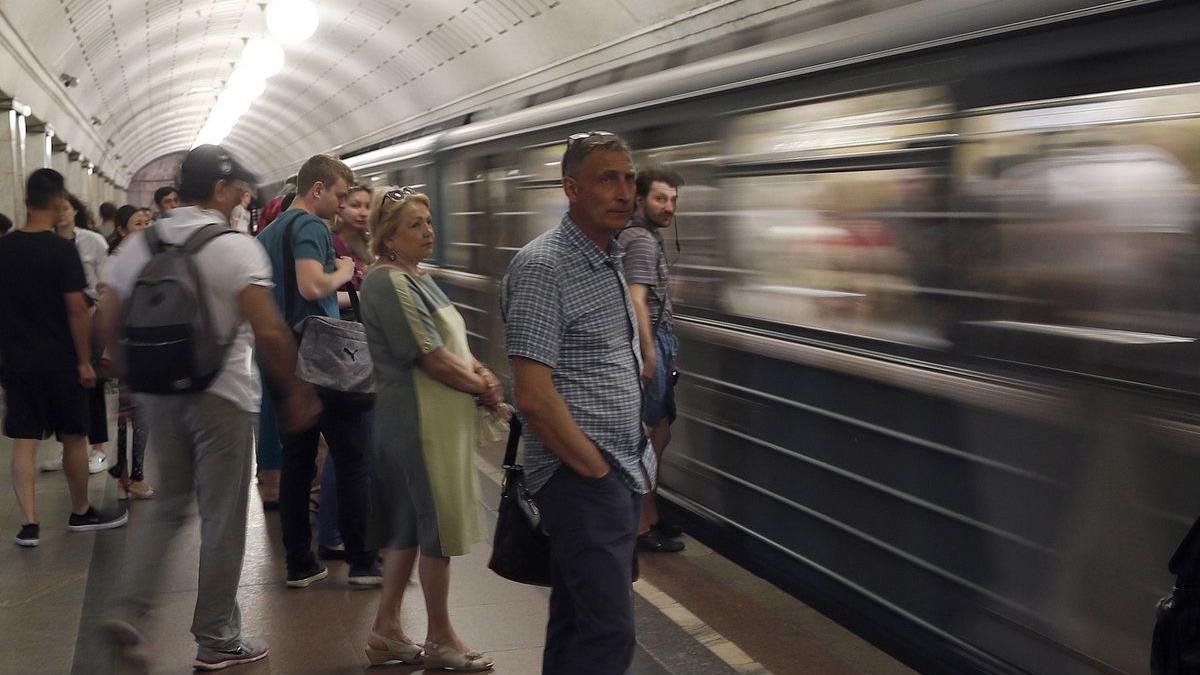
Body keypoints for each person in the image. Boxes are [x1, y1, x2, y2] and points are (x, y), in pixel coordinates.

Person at [97, 144, 322, 671]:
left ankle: (129, 610)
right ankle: (218, 635)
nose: (244, 195)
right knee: (222, 514)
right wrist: (294, 392)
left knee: (172, 502)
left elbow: (105, 318)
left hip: (159, 394)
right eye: (237, 187)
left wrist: (131, 382)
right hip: (222, 395)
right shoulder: (235, 248)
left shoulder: (141, 242)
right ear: (219, 190)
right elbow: (268, 329)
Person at [501, 131, 648, 674]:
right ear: (571, 188)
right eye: (607, 179)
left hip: (615, 472)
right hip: (580, 477)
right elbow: (533, 396)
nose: (623, 191)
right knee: (611, 632)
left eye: (628, 178)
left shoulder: (609, 259)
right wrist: (594, 469)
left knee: (576, 621)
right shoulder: (544, 267)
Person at [359, 186, 501, 671]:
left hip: (433, 422)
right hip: (418, 425)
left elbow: (452, 343)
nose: (428, 231)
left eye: (428, 221)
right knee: (435, 528)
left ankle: (386, 630)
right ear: (388, 237)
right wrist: (482, 388)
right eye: (415, 224)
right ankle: (440, 637)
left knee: (405, 529)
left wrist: (480, 370)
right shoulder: (388, 283)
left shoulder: (418, 277)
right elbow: (431, 358)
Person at [256, 154, 380, 588]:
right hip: (321, 356)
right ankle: (364, 560)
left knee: (297, 463)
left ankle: (299, 564)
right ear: (317, 190)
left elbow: (292, 294)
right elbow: (311, 285)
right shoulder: (310, 226)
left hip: (284, 357)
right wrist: (344, 271)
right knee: (353, 457)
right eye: (340, 196)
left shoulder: (269, 232)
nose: (344, 206)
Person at [0, 168, 127, 548]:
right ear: (59, 202)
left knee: (24, 439)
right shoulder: (61, 250)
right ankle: (80, 510)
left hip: (17, 361)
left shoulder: (3, 248)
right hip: (60, 360)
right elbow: (76, 309)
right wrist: (85, 360)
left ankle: (29, 523)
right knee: (74, 436)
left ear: (25, 203)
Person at [618, 167, 686, 553]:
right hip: (653, 345)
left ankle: (651, 514)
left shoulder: (641, 236)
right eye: (661, 198)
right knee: (649, 438)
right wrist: (648, 353)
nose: (669, 207)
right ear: (640, 200)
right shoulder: (642, 240)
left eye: (673, 200)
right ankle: (642, 526)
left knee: (658, 433)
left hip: (658, 343)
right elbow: (637, 300)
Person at [315, 183, 374, 559]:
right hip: (345, 349)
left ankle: (354, 529)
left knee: (359, 450)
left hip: (364, 347)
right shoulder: (334, 245)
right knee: (348, 448)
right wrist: (363, 293)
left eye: (368, 205)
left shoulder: (366, 246)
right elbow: (318, 291)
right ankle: (334, 531)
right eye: (354, 204)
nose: (362, 212)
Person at [44, 194, 113, 477]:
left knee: (91, 384)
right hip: (55, 325)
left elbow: (104, 280)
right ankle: (69, 446)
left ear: (75, 211)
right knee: (62, 385)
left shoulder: (92, 242)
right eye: (55, 209)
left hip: (89, 318)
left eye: (65, 208)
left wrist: (96, 306)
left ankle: (97, 449)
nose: (61, 214)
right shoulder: (45, 244)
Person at [102, 206, 155, 500]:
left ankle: (124, 471)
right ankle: (134, 476)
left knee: (132, 414)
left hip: (140, 345)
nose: (146, 227)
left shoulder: (146, 257)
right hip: (130, 347)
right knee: (138, 415)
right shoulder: (118, 263)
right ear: (122, 230)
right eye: (138, 223)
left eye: (148, 222)